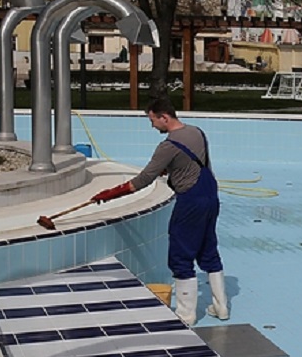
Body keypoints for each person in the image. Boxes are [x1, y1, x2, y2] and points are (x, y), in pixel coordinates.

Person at [91, 98, 228, 326]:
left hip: (191, 200)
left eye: (153, 120)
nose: (152, 125)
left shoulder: (168, 146)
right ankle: (221, 307)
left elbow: (143, 180)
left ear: (164, 117)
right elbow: (191, 163)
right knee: (208, 249)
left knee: (180, 254)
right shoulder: (197, 132)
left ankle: (185, 315)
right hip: (211, 195)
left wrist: (110, 194)